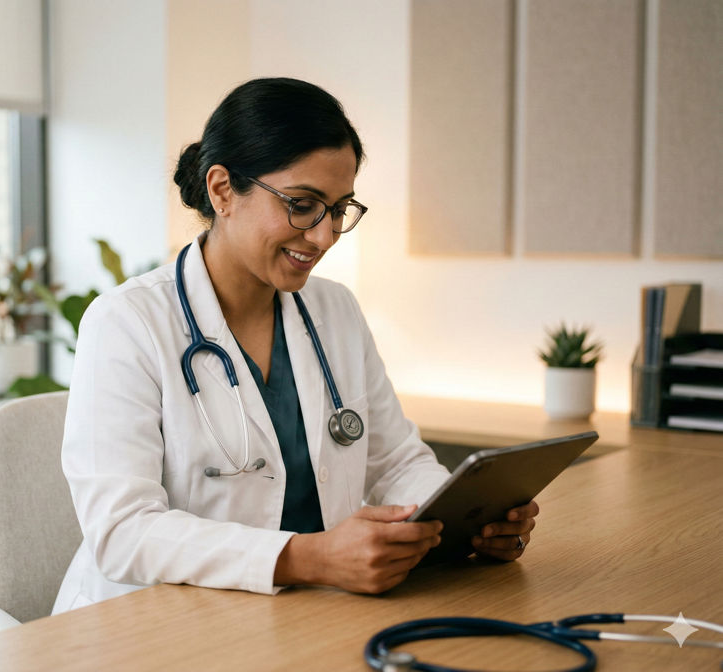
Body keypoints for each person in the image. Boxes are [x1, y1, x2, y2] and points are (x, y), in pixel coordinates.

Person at [52, 78, 538, 614]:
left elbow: (395, 463)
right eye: (303, 204)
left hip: (305, 613)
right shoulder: (128, 322)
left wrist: (463, 519)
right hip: (157, 625)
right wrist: (309, 558)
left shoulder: (336, 311)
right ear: (221, 191)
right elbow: (123, 532)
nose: (325, 235)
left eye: (338, 208)